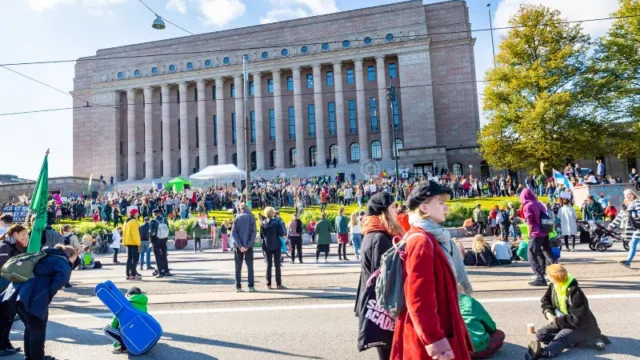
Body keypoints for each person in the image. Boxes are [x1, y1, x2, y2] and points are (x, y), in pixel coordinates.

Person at [392, 181, 473, 360]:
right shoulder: (421, 241)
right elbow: (418, 299)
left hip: (440, 326)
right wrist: (436, 342)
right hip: (431, 337)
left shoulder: (432, 237)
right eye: (441, 203)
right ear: (424, 207)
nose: (447, 208)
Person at [1, 244, 77, 360]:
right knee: (38, 329)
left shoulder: (43, 256)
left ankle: (30, 356)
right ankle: (37, 357)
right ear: (70, 255)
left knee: (30, 327)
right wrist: (47, 295)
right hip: (34, 297)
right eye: (74, 259)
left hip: (16, 294)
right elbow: (61, 280)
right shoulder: (62, 261)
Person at [354, 192, 404, 360]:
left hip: (376, 304)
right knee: (389, 351)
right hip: (383, 306)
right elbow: (387, 279)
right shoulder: (380, 237)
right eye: (392, 207)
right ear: (383, 211)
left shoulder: (372, 233)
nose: (396, 210)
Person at [525, 264, 608, 359]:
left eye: (549, 276)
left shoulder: (576, 293)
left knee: (562, 336)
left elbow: (578, 320)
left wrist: (556, 320)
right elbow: (545, 300)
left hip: (581, 326)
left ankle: (546, 352)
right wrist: (548, 313)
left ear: (554, 278)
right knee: (541, 334)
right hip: (564, 321)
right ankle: (576, 341)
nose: (548, 278)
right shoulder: (554, 285)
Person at [0, 224, 28, 357]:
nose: (25, 237)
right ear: (15, 234)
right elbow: (4, 267)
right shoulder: (5, 246)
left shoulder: (17, 246)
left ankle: (5, 344)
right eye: (23, 234)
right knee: (3, 318)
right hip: (4, 288)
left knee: (9, 318)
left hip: (12, 287)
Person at [521, 189, 554, 287]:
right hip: (544, 232)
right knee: (545, 253)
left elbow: (529, 223)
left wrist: (528, 234)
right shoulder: (539, 203)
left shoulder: (527, 206)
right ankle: (556, 274)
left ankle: (540, 277)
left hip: (535, 233)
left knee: (531, 255)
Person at [103, 287, 149, 354]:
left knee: (106, 329)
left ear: (128, 295)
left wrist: (116, 343)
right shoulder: (143, 304)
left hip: (129, 333)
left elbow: (114, 323)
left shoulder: (124, 305)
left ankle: (124, 347)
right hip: (141, 334)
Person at [459, 294, 505, 359]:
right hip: (472, 348)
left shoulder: (443, 302)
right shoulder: (469, 301)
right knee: (500, 334)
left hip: (450, 347)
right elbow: (492, 327)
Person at [608, 188, 640, 269]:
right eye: (626, 195)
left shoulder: (637, 202)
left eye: (629, 194)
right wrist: (611, 225)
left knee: (633, 243)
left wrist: (629, 212)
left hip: (638, 227)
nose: (628, 196)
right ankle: (628, 262)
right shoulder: (625, 205)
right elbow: (619, 217)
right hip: (633, 228)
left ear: (633, 195)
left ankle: (627, 262)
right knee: (632, 244)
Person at [232, 203, 257, 292]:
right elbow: (253, 233)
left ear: (240, 209)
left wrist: (240, 245)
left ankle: (238, 286)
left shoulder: (237, 218)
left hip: (238, 247)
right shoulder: (251, 217)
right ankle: (251, 286)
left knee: (238, 267)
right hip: (248, 247)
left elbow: (233, 233)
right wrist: (247, 245)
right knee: (250, 266)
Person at [259, 206, 286, 290]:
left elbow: (261, 235)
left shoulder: (263, 223)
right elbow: (282, 233)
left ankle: (268, 284)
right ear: (273, 213)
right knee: (277, 265)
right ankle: (278, 283)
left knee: (268, 265)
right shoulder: (277, 222)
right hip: (276, 245)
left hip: (267, 246)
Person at [150, 209, 171, 278]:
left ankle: (160, 272)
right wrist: (166, 238)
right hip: (163, 240)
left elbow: (150, 232)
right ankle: (166, 271)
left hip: (156, 240)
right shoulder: (164, 220)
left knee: (157, 257)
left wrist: (150, 240)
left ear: (154, 214)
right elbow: (168, 228)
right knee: (164, 256)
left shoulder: (153, 221)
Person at [123, 208, 142, 281]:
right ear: (134, 214)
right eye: (137, 213)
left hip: (128, 242)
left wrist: (125, 242)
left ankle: (128, 275)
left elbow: (124, 233)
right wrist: (139, 243)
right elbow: (135, 234)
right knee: (135, 259)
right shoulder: (134, 221)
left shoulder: (126, 221)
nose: (138, 214)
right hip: (134, 242)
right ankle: (133, 274)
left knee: (129, 258)